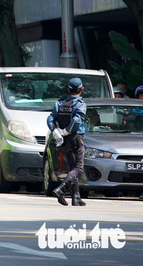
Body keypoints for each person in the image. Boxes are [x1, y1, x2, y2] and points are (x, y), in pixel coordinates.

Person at [47, 77, 87, 207]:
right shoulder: (80, 104)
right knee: (78, 168)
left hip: (63, 141)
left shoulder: (60, 103)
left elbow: (50, 118)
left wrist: (55, 131)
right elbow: (76, 121)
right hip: (75, 138)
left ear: (68, 89)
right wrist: (66, 131)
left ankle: (76, 198)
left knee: (71, 167)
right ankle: (61, 189)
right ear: (81, 89)